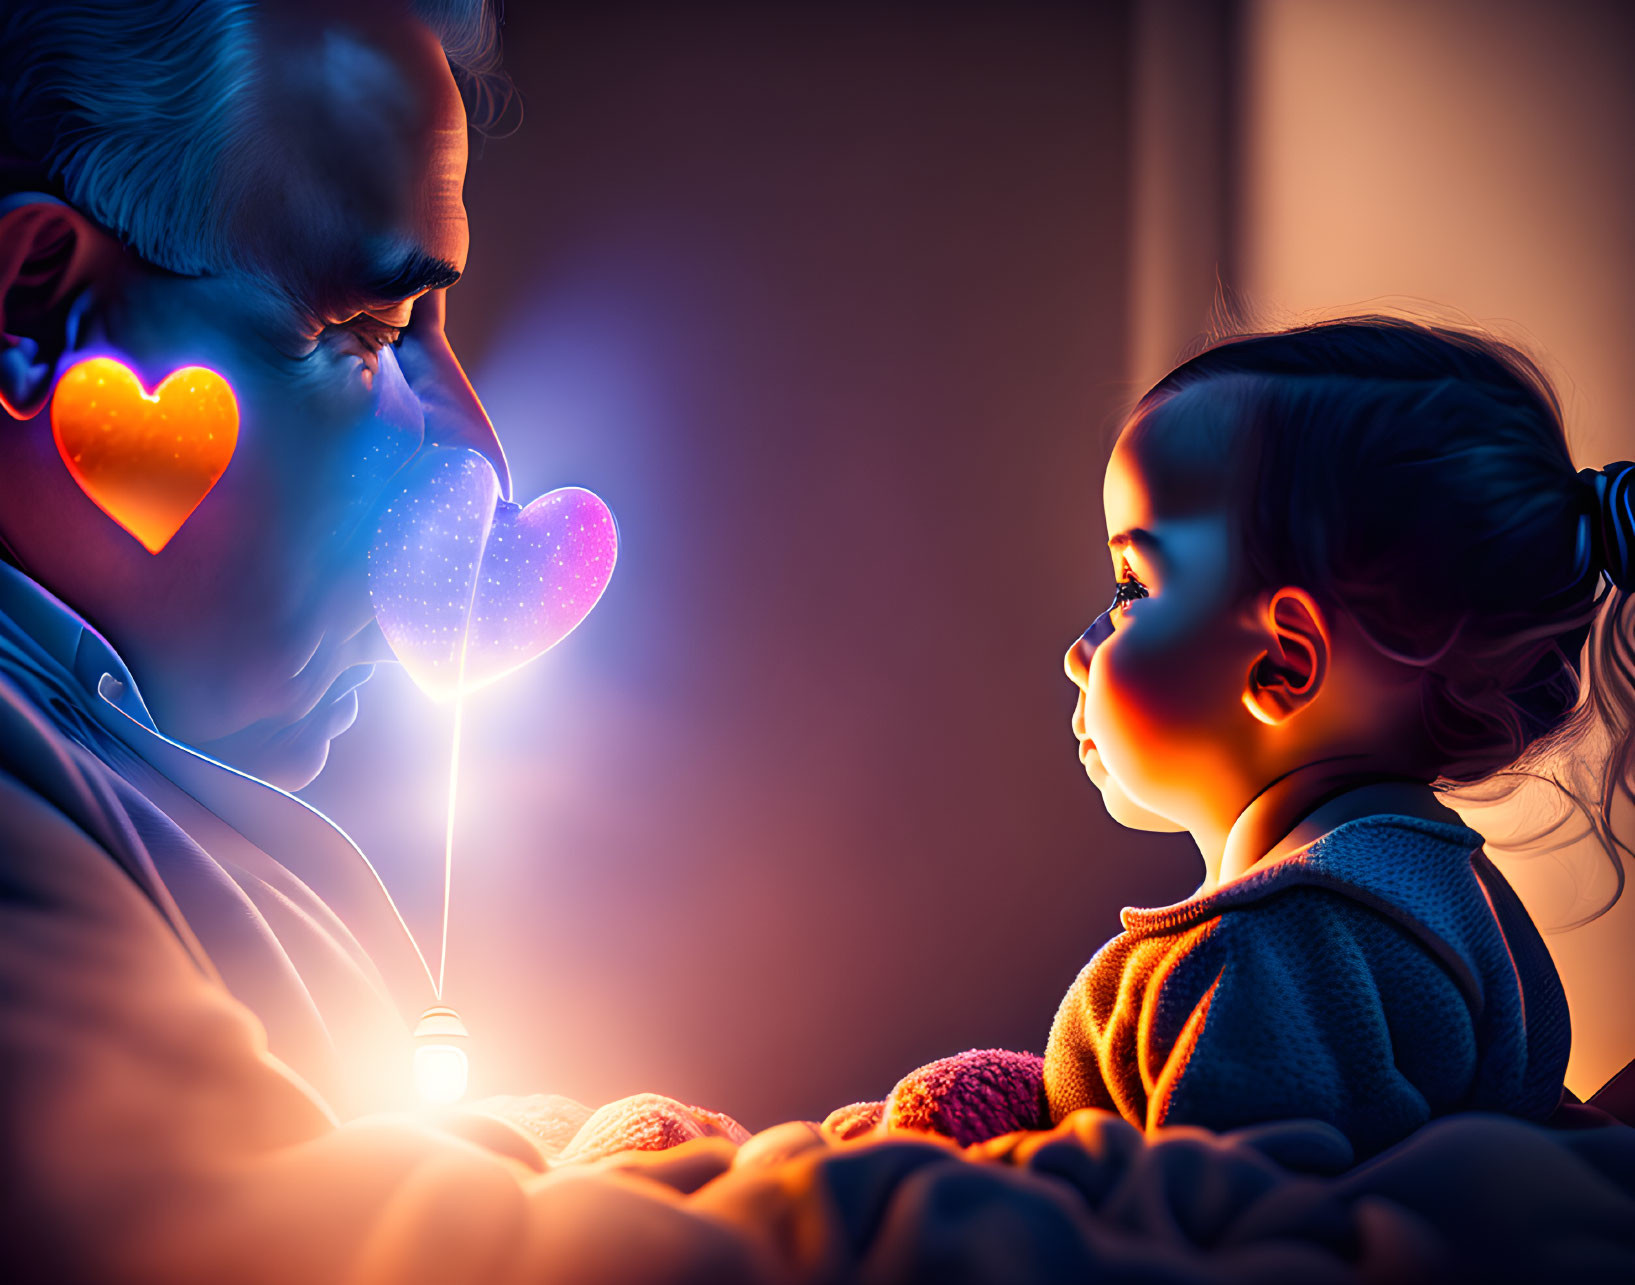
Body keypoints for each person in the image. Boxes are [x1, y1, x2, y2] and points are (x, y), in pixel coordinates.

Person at [833, 316, 1632, 1163]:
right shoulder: (1448, 889)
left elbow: (1207, 1227)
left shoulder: (1268, 955)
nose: (1078, 651)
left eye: (1132, 585)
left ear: (1283, 662)